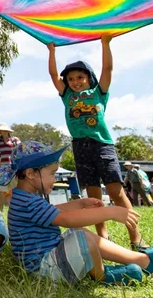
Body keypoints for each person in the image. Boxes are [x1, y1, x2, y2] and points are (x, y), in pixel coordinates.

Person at [0, 142, 153, 286]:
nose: (55, 178)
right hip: (45, 270)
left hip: (46, 262)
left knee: (79, 234)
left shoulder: (24, 198)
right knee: (81, 235)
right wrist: (110, 212)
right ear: (31, 173)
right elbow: (65, 219)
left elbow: (53, 213)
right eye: (52, 173)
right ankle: (104, 275)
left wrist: (80, 203)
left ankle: (143, 261)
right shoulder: (28, 201)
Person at [47, 38, 145, 250]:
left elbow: (107, 68)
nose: (75, 81)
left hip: (101, 146)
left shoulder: (98, 93)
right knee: (93, 197)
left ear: (89, 78)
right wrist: (51, 50)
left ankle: (135, 236)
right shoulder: (67, 96)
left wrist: (105, 44)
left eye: (80, 77)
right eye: (71, 79)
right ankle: (103, 236)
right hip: (80, 147)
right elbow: (54, 76)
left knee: (116, 192)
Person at [0, 124, 20, 212]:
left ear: (6, 131)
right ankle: (0, 211)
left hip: (14, 167)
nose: (0, 132)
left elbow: (20, 150)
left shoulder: (15, 140)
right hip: (3, 168)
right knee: (1, 190)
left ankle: (16, 209)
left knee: (15, 189)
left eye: (1, 130)